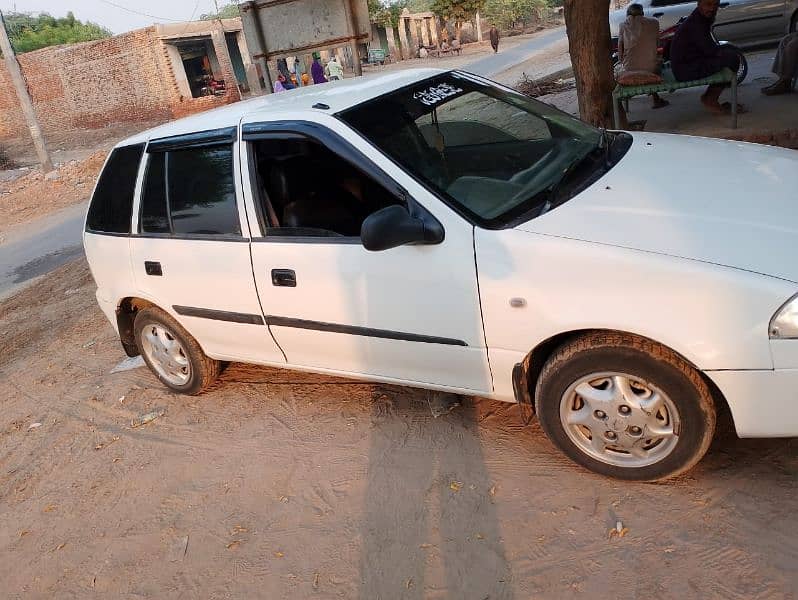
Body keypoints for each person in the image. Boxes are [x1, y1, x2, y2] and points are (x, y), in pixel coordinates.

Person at [669, 0, 741, 114]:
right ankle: (710, 98)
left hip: (690, 64)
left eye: (715, 5)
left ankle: (710, 97)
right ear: (699, 4)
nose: (712, 9)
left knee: (729, 55)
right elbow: (710, 50)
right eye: (708, 4)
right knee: (732, 59)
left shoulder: (700, 18)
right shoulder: (697, 23)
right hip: (686, 70)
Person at [617, 3, 668, 108]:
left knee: (621, 68)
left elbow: (620, 54)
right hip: (651, 70)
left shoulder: (623, 26)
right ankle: (655, 98)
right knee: (655, 62)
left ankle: (630, 95)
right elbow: (657, 45)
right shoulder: (654, 23)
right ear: (643, 14)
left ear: (628, 15)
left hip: (629, 70)